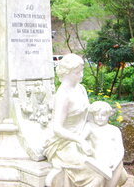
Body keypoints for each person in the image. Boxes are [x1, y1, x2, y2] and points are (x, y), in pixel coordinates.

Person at [43, 54, 105, 187]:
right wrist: (80, 140)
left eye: (82, 71)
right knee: (96, 172)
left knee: (108, 158)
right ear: (67, 73)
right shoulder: (63, 96)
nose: (81, 75)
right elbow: (57, 128)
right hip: (65, 142)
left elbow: (88, 116)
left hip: (83, 134)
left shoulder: (80, 88)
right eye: (77, 72)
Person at [85, 101, 128, 187]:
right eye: (96, 115)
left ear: (109, 115)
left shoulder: (114, 130)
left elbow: (120, 149)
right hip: (96, 160)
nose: (99, 118)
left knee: (119, 166)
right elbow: (80, 140)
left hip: (111, 161)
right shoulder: (89, 127)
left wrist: (115, 162)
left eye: (103, 115)